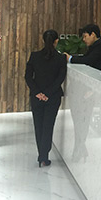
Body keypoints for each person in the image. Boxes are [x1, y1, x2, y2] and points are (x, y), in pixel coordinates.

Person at [25, 29, 67, 167]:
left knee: (38, 126)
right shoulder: (61, 58)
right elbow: (60, 78)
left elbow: (28, 77)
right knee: (48, 126)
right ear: (56, 41)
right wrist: (48, 94)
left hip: (36, 97)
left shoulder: (34, 56)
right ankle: (44, 156)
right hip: (53, 97)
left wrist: (38, 92)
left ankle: (41, 155)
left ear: (43, 40)